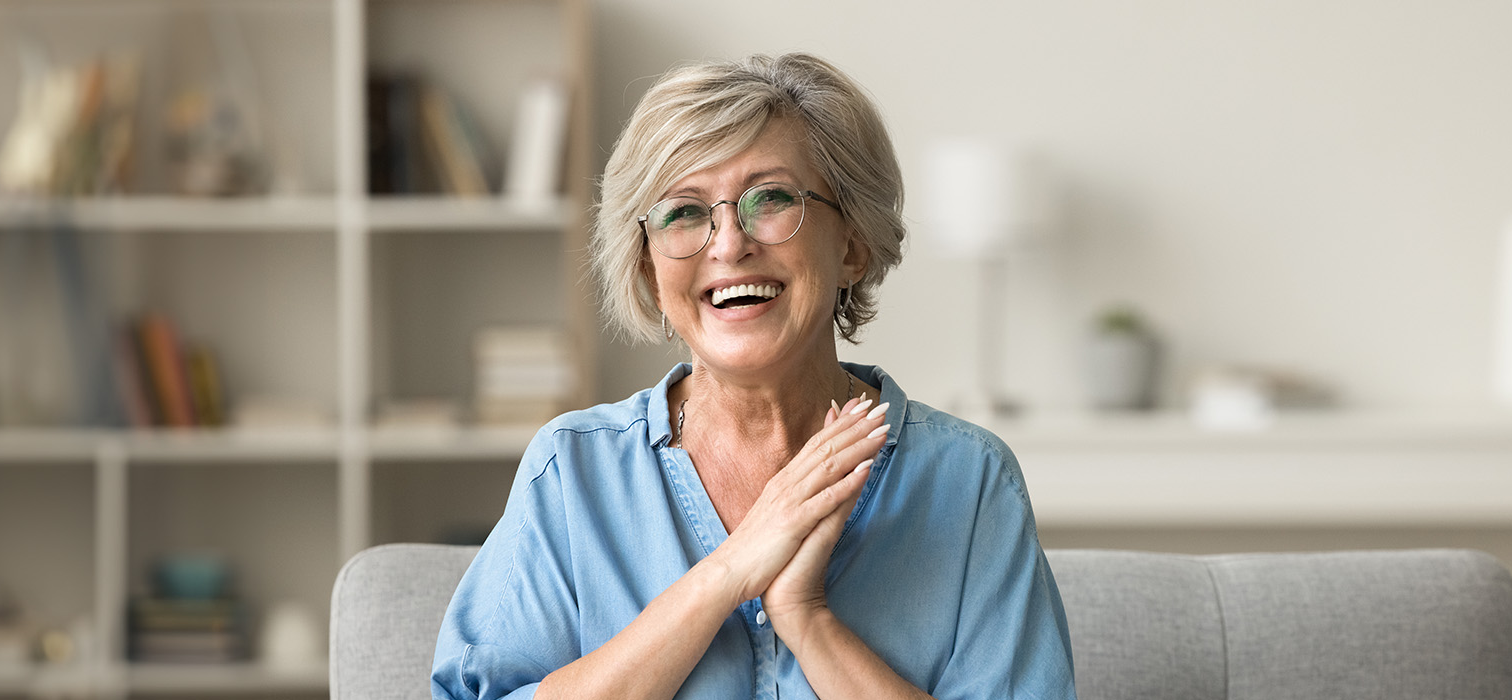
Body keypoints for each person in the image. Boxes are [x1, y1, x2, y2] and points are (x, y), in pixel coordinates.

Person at [431, 53, 1075, 700]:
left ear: (850, 245)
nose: (728, 243)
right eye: (682, 212)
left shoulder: (967, 480)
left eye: (770, 199)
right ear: (651, 269)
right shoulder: (573, 471)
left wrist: (807, 619)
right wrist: (727, 575)